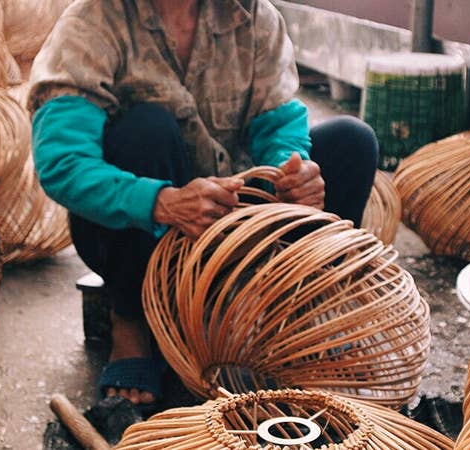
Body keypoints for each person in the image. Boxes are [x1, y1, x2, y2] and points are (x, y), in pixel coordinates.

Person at [27, 0, 378, 409]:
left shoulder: (254, 17)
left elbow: (279, 124)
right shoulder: (92, 22)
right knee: (146, 129)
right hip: (136, 236)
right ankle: (131, 322)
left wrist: (290, 175)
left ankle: (297, 312)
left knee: (353, 142)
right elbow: (63, 161)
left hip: (235, 221)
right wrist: (162, 202)